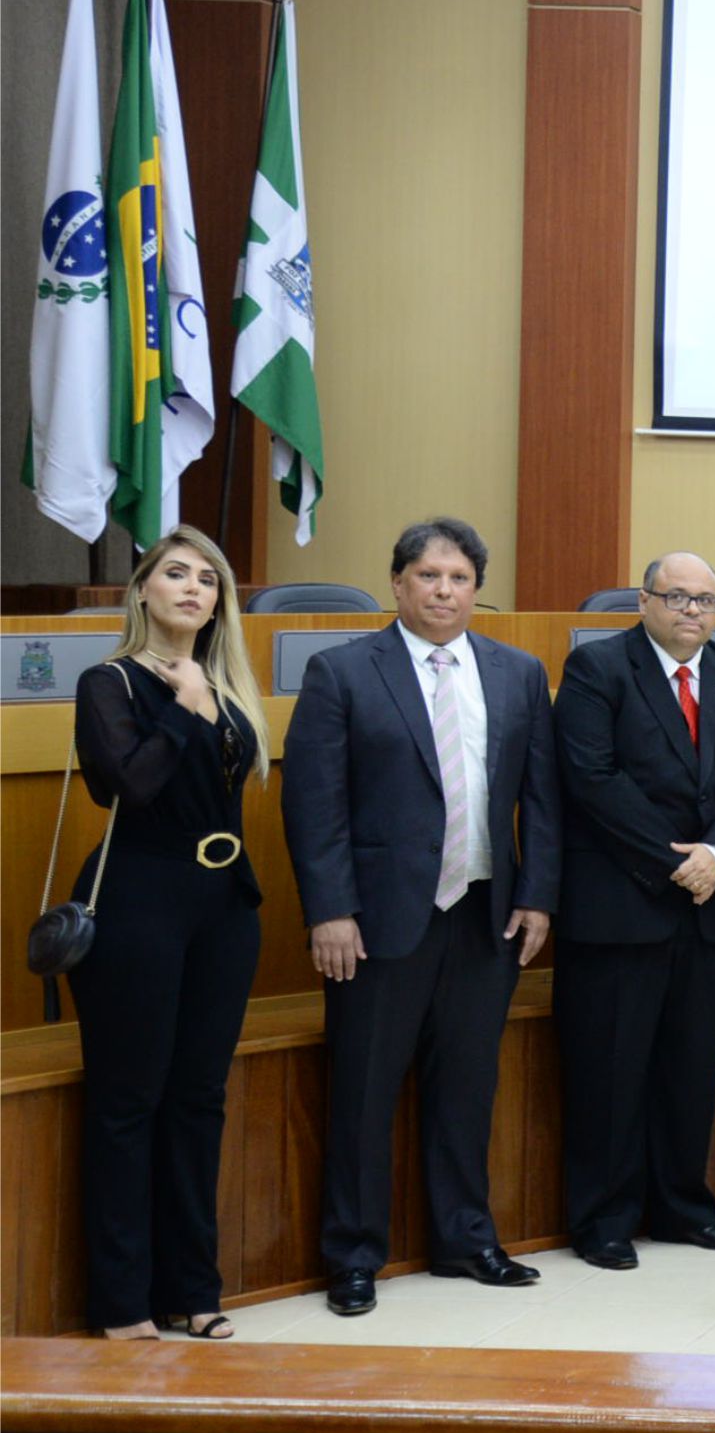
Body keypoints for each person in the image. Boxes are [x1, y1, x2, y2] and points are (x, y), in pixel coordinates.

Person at [281, 518, 557, 1318]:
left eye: (459, 578)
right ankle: (353, 1255)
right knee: (363, 1093)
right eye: (428, 576)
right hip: (376, 922)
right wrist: (331, 910)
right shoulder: (342, 671)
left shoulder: (516, 672)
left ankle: (465, 1238)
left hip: (484, 914)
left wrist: (537, 894)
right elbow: (314, 804)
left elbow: (542, 797)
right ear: (398, 583)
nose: (444, 591)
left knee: (467, 1088)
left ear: (477, 590)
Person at [552, 551, 715, 1268]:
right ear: (644, 601)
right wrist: (676, 862)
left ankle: (683, 1208)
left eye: (705, 601)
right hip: (623, 905)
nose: (692, 611)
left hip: (709, 904)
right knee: (611, 1071)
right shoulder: (598, 668)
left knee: (690, 1069)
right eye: (677, 597)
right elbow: (592, 778)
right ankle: (603, 1220)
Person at [68, 529, 267, 1342]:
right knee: (128, 1102)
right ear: (142, 591)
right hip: (137, 902)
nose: (193, 589)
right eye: (175, 574)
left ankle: (194, 1289)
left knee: (197, 1101)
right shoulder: (109, 681)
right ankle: (122, 1303)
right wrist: (185, 707)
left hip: (222, 906)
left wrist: (206, 698)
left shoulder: (228, 684)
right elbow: (129, 786)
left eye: (208, 581)